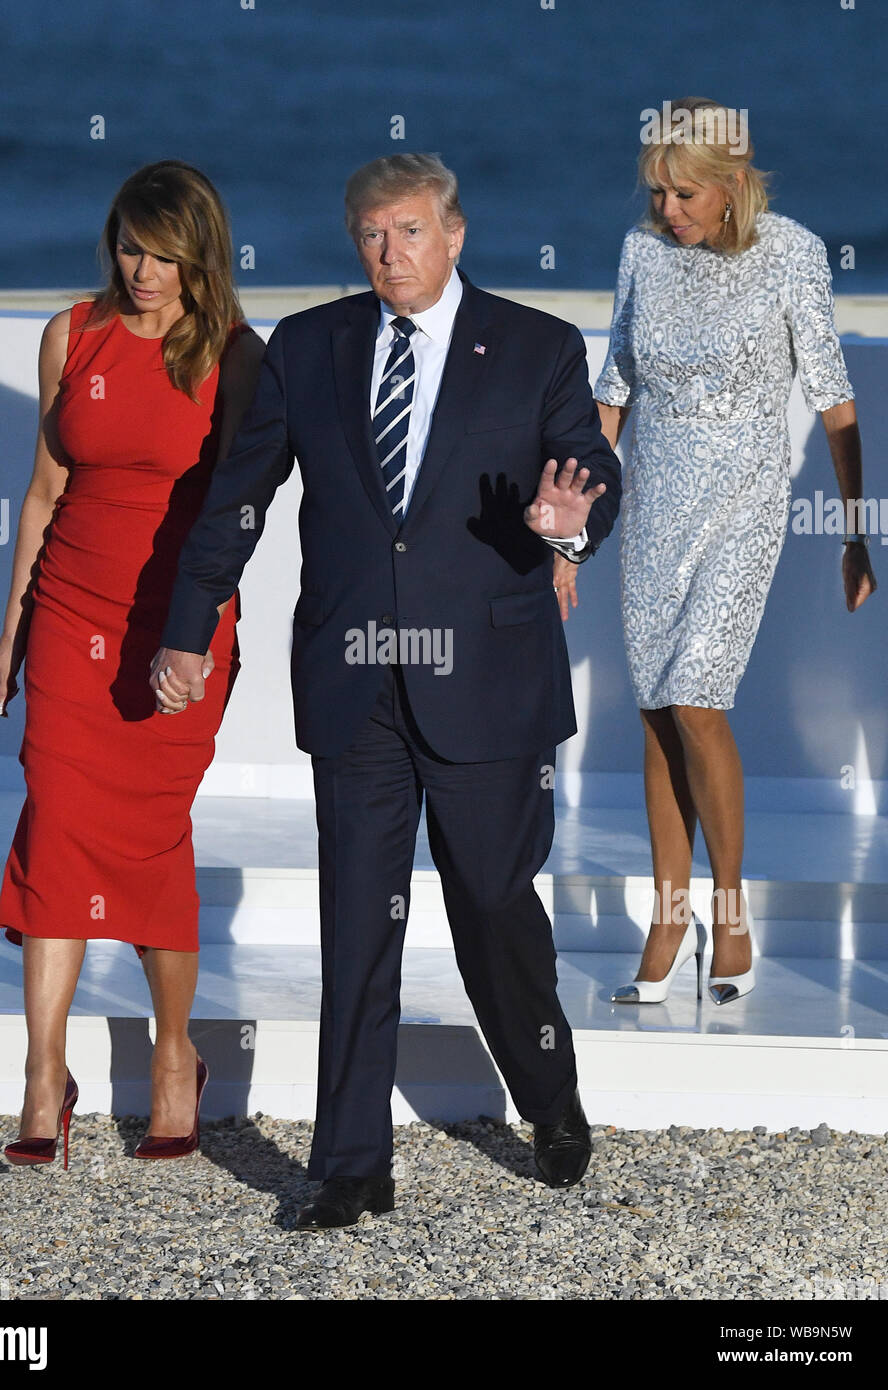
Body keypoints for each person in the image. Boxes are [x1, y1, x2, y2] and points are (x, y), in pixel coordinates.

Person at [152, 153, 621, 1228]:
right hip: (354, 679)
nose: (388, 253)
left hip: (489, 682)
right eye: (370, 233)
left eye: (409, 231)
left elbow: (588, 465)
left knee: (494, 909)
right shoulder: (307, 347)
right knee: (357, 924)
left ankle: (548, 1096)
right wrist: (186, 630)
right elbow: (237, 501)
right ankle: (350, 1165)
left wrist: (570, 524)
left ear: (456, 234)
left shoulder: (538, 347)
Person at [0, 161, 264, 1165]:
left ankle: (175, 1056)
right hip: (67, 617)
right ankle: (42, 1076)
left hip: (175, 633)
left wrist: (201, 628)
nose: (144, 272)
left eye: (165, 255)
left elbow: (240, 508)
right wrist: (11, 631)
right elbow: (45, 490)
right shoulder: (72, 334)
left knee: (148, 837)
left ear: (200, 255)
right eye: (131, 249)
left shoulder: (233, 353)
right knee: (55, 824)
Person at [555, 97, 876, 1006]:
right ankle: (669, 913)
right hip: (652, 507)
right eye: (656, 192)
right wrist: (574, 537)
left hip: (745, 508)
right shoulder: (640, 256)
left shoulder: (795, 254)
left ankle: (729, 908)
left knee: (696, 693)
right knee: (659, 710)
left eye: (685, 194)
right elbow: (612, 394)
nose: (667, 212)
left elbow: (835, 399)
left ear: (733, 186)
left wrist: (857, 530)